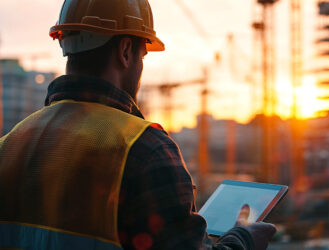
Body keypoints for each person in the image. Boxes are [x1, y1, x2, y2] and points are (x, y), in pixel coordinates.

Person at [0, 0, 276, 249]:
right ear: (125, 51)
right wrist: (243, 239)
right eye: (143, 55)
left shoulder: (9, 144)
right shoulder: (143, 149)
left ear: (66, 45)